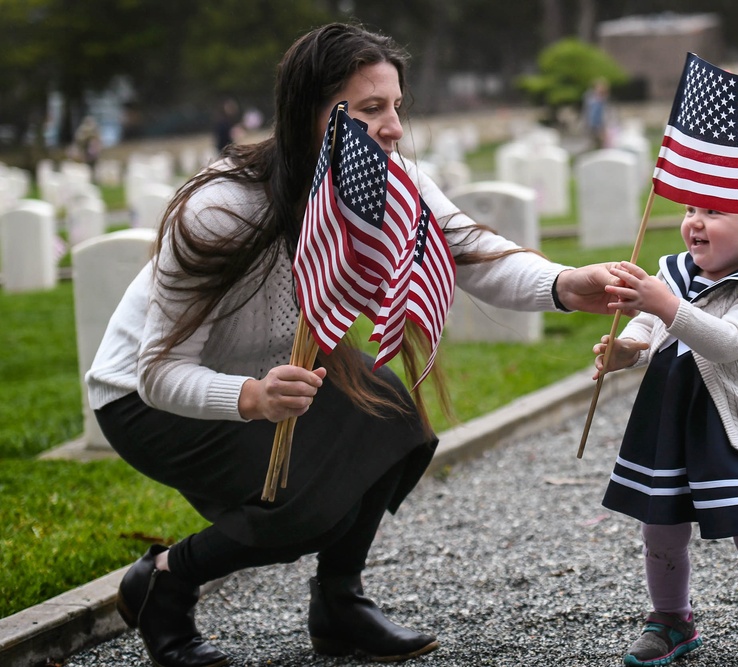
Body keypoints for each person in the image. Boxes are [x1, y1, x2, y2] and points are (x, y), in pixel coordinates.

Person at [85, 22, 617, 667]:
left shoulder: (389, 178)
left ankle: (339, 601)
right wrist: (250, 397)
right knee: (301, 504)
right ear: (310, 112)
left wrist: (564, 284)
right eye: (370, 110)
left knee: (394, 419)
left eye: (395, 106)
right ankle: (166, 582)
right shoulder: (221, 208)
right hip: (150, 400)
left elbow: (472, 254)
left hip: (277, 373)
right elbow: (160, 370)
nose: (393, 127)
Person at [592, 206, 738, 667]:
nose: (695, 220)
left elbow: (727, 341)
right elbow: (648, 327)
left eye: (713, 212)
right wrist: (625, 351)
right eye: (691, 209)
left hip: (734, 424)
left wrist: (665, 304)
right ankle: (671, 619)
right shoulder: (671, 272)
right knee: (661, 523)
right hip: (669, 418)